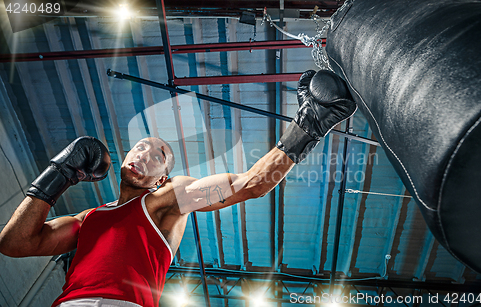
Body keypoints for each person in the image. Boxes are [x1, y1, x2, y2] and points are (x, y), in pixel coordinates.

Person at [0, 70, 356, 307]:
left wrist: (307, 125)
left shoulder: (165, 200)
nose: (145, 153)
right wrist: (58, 173)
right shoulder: (87, 218)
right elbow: (14, 244)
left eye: (159, 155)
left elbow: (250, 185)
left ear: (162, 179)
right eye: (141, 146)